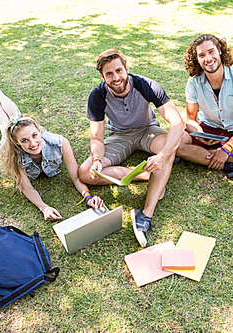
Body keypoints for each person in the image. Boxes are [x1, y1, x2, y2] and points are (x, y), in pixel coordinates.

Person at [77, 49, 184, 247]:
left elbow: (177, 123)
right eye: (109, 74)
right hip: (119, 136)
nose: (115, 77)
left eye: (119, 70)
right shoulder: (97, 96)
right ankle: (146, 176)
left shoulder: (146, 85)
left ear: (127, 69)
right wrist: (97, 160)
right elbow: (97, 139)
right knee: (85, 173)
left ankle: (144, 215)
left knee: (169, 150)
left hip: (148, 131)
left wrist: (161, 155)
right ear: (102, 76)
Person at [0, 83, 104, 221]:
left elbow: (76, 177)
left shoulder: (59, 143)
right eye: (24, 140)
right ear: (17, 142)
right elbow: (27, 188)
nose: (32, 144)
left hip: (33, 132)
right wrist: (44, 207)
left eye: (35, 135)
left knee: (16, 116)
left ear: (39, 130)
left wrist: (88, 197)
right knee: (5, 124)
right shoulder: (13, 154)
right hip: (11, 139)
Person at [175, 34, 233, 184]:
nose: (208, 59)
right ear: (197, 59)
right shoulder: (193, 82)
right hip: (208, 129)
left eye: (211, 52)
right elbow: (190, 119)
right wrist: (200, 134)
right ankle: (230, 166)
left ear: (220, 50)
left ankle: (196, 156)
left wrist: (227, 148)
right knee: (175, 142)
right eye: (201, 55)